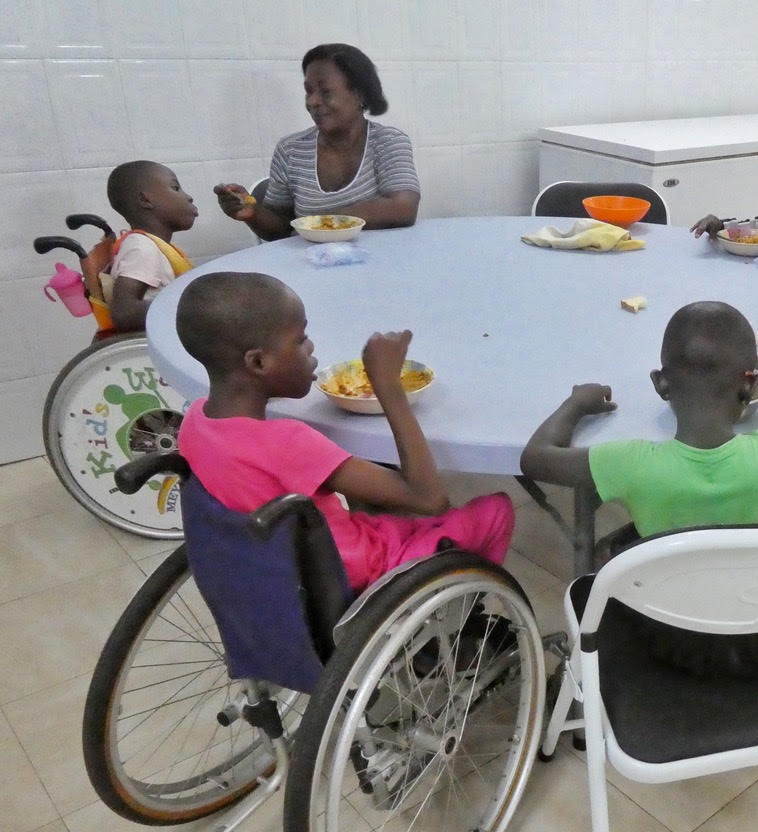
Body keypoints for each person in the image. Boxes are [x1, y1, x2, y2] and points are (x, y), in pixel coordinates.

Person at [522, 301, 758, 676]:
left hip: (667, 640)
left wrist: (576, 403)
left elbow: (535, 458)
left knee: (611, 552)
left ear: (660, 384)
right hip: (757, 634)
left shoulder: (631, 462)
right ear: (750, 384)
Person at [175, 272, 513, 593]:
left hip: (286, 571)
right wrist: (387, 385)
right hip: (362, 570)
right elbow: (429, 499)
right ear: (259, 363)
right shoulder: (287, 443)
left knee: (378, 497)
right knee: (496, 510)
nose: (311, 349)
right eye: (301, 339)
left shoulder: (194, 422)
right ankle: (469, 619)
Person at [214, 43, 420, 242]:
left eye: (325, 91)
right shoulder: (290, 150)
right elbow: (280, 229)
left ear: (359, 94)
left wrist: (322, 222)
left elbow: (403, 208)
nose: (312, 101)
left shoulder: (388, 142)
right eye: (309, 91)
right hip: (311, 266)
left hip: (379, 264)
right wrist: (253, 213)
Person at [103, 160, 198, 333]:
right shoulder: (142, 247)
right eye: (176, 188)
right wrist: (192, 311)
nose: (188, 197)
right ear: (145, 199)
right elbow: (124, 313)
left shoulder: (153, 246)